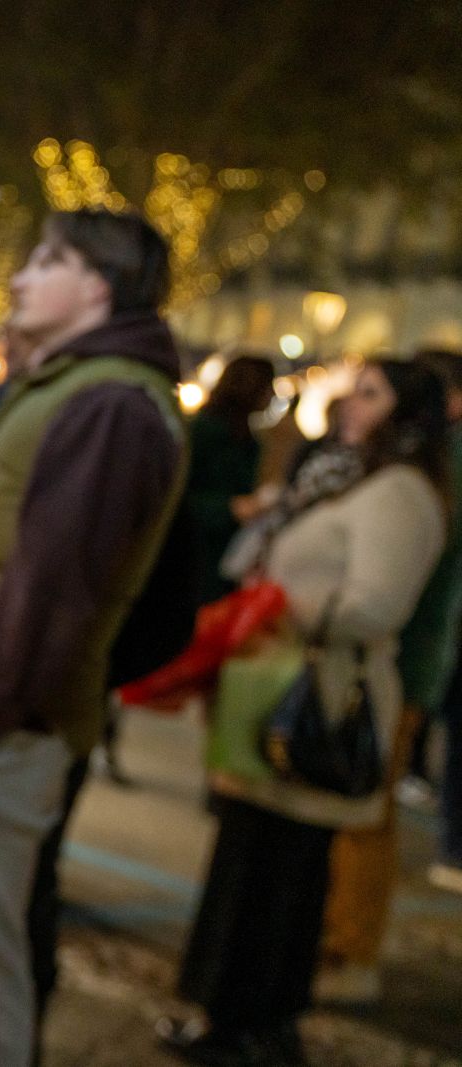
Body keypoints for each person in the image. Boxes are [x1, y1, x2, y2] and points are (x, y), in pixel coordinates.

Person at [0, 209, 186, 1067]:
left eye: (46, 260)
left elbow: (54, 593)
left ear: (98, 284)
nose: (19, 278)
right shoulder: (76, 387)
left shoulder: (111, 404)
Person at [163, 359, 448, 1066]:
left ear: (409, 415)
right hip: (275, 675)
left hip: (317, 693)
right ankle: (225, 1013)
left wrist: (282, 606)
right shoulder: (343, 473)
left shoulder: (401, 492)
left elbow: (377, 603)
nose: (353, 400)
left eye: (373, 392)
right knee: (249, 856)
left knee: (282, 871)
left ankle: (256, 1022)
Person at [313, 349, 462, 1004]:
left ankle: (350, 951)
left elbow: (402, 589)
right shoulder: (417, 470)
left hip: (392, 663)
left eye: (371, 393)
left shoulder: (427, 477)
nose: (354, 404)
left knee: (362, 813)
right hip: (394, 661)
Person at [186, 354, 276, 606]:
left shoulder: (248, 439)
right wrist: (229, 507)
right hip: (192, 552)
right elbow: (177, 499)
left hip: (223, 555)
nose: (271, 395)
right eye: (269, 386)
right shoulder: (204, 432)